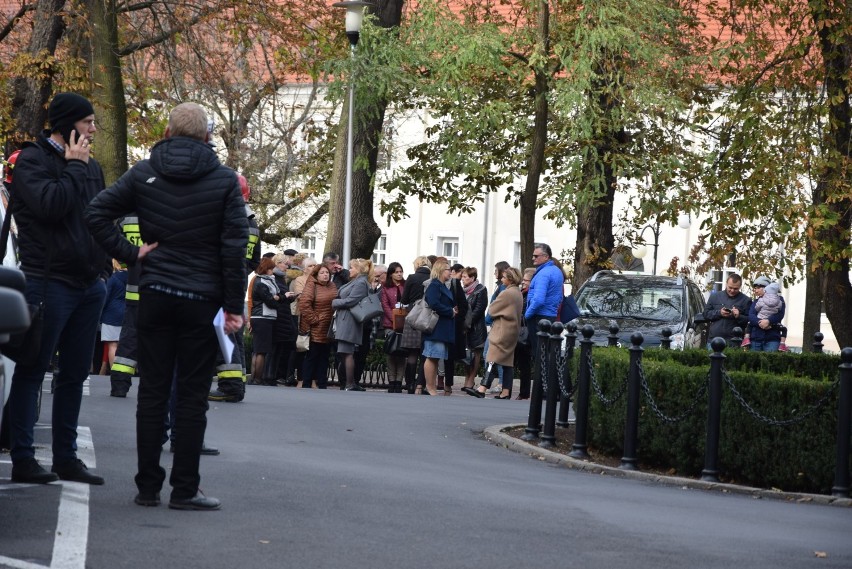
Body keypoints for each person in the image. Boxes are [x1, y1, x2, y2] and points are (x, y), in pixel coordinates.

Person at [86, 101, 248, 510]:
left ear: (168, 132)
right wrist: (232, 305)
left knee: (153, 392)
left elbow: (96, 212)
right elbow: (233, 249)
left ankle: (146, 488)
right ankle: (184, 489)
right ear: (207, 136)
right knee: (191, 397)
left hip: (155, 293)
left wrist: (130, 252)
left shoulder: (144, 173)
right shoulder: (225, 180)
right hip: (201, 298)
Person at [7, 92, 110, 485]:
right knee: (32, 371)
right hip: (49, 284)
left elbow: (98, 216)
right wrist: (72, 169)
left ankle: (67, 458)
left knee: (74, 376)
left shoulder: (91, 166)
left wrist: (105, 266)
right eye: (87, 123)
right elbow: (51, 206)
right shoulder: (33, 160)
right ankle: (23, 459)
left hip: (88, 286)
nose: (93, 129)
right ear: (68, 125)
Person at [469, 268, 524, 399]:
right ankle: (505, 391)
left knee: (492, 358)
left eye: (504, 277)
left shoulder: (506, 293)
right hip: (512, 330)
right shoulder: (518, 292)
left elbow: (492, 310)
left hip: (501, 329)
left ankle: (482, 388)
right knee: (507, 362)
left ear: (510, 279)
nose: (502, 279)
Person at [331, 258, 373, 391]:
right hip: (345, 318)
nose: (349, 270)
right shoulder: (357, 281)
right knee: (344, 352)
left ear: (359, 269)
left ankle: (349, 383)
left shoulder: (360, 282)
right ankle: (348, 383)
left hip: (349, 320)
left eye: (352, 268)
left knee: (347, 351)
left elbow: (352, 301)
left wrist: (335, 302)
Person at [421, 259, 457, 396]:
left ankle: (431, 387)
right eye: (448, 269)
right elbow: (433, 303)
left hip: (441, 327)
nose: (450, 272)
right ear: (441, 270)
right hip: (436, 327)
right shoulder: (435, 285)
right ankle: (430, 387)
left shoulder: (441, 285)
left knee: (435, 357)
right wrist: (450, 311)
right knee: (431, 356)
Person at [524, 243, 564, 367]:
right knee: (546, 354)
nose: (533, 258)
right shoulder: (556, 271)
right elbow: (559, 297)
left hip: (539, 317)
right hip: (550, 316)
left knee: (539, 355)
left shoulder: (544, 274)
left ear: (546, 257)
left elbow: (538, 300)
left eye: (536, 256)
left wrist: (527, 315)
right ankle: (545, 385)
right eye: (533, 256)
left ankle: (540, 385)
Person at [299, 264, 338, 388]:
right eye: (322, 273)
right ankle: (306, 383)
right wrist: (315, 320)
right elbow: (304, 304)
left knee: (325, 357)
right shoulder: (312, 285)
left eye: (327, 272)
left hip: (329, 326)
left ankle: (322, 383)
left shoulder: (332, 285)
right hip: (315, 327)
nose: (325, 275)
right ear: (316, 274)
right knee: (312, 356)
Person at [264, 253, 298, 386]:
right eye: (284, 263)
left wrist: (290, 297)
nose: (287, 265)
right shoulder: (273, 277)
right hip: (278, 316)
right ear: (277, 263)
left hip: (283, 315)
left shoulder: (281, 278)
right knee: (273, 348)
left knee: (279, 348)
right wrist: (285, 296)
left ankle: (272, 375)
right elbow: (274, 296)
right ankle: (268, 376)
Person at [400, 256, 431, 394]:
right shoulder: (433, 278)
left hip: (413, 315)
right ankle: (421, 385)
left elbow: (404, 299)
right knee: (425, 354)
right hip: (428, 317)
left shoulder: (412, 278)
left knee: (412, 353)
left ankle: (410, 384)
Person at [249, 257, 280, 385]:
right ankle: (257, 378)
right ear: (266, 269)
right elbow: (271, 302)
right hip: (263, 317)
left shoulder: (258, 280)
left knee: (257, 350)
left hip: (258, 317)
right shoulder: (262, 282)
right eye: (271, 268)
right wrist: (277, 298)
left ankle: (254, 378)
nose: (272, 271)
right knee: (261, 351)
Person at [703, 273, 751, 348]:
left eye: (735, 289)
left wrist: (738, 316)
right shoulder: (715, 296)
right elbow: (706, 314)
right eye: (730, 287)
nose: (732, 290)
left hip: (734, 342)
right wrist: (719, 313)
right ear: (726, 284)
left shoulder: (746, 300)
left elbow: (748, 321)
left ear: (740, 287)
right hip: (714, 339)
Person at [442, 263, 469, 396]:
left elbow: (463, 306)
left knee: (449, 357)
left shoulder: (454, 284)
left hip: (452, 326)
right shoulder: (433, 284)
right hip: (438, 324)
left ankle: (448, 384)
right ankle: (427, 383)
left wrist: (455, 317)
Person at [460, 267, 488, 393]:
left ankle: (471, 378)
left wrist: (468, 323)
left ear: (472, 278)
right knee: (465, 354)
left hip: (476, 328)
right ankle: (467, 377)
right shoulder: (462, 291)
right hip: (464, 328)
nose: (463, 279)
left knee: (476, 353)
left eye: (465, 277)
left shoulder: (480, 290)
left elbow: (479, 309)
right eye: (462, 277)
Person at [380, 261, 406, 393]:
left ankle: (399, 381)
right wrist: (394, 320)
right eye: (397, 272)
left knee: (402, 353)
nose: (399, 274)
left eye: (401, 271)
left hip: (405, 324)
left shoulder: (406, 285)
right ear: (391, 274)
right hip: (390, 324)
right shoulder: (385, 287)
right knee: (391, 352)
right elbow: (385, 305)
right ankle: (391, 381)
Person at [100, 259, 128, 374]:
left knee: (112, 345)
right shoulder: (133, 278)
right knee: (124, 345)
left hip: (111, 314)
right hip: (127, 313)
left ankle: (115, 372)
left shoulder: (113, 278)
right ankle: (124, 371)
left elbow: (106, 296)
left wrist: (100, 312)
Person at [745, 276, 786, 352]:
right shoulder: (756, 301)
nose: (755, 290)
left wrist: (768, 321)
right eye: (755, 288)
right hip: (756, 337)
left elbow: (780, 314)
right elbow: (751, 316)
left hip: (772, 337)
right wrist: (760, 323)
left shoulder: (779, 300)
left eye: (758, 288)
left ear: (766, 288)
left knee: (770, 362)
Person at [514, 268, 536, 400]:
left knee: (524, 364)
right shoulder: (522, 293)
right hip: (519, 331)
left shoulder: (529, 295)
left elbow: (524, 313)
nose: (523, 283)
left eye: (526, 280)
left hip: (524, 333)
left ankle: (524, 392)